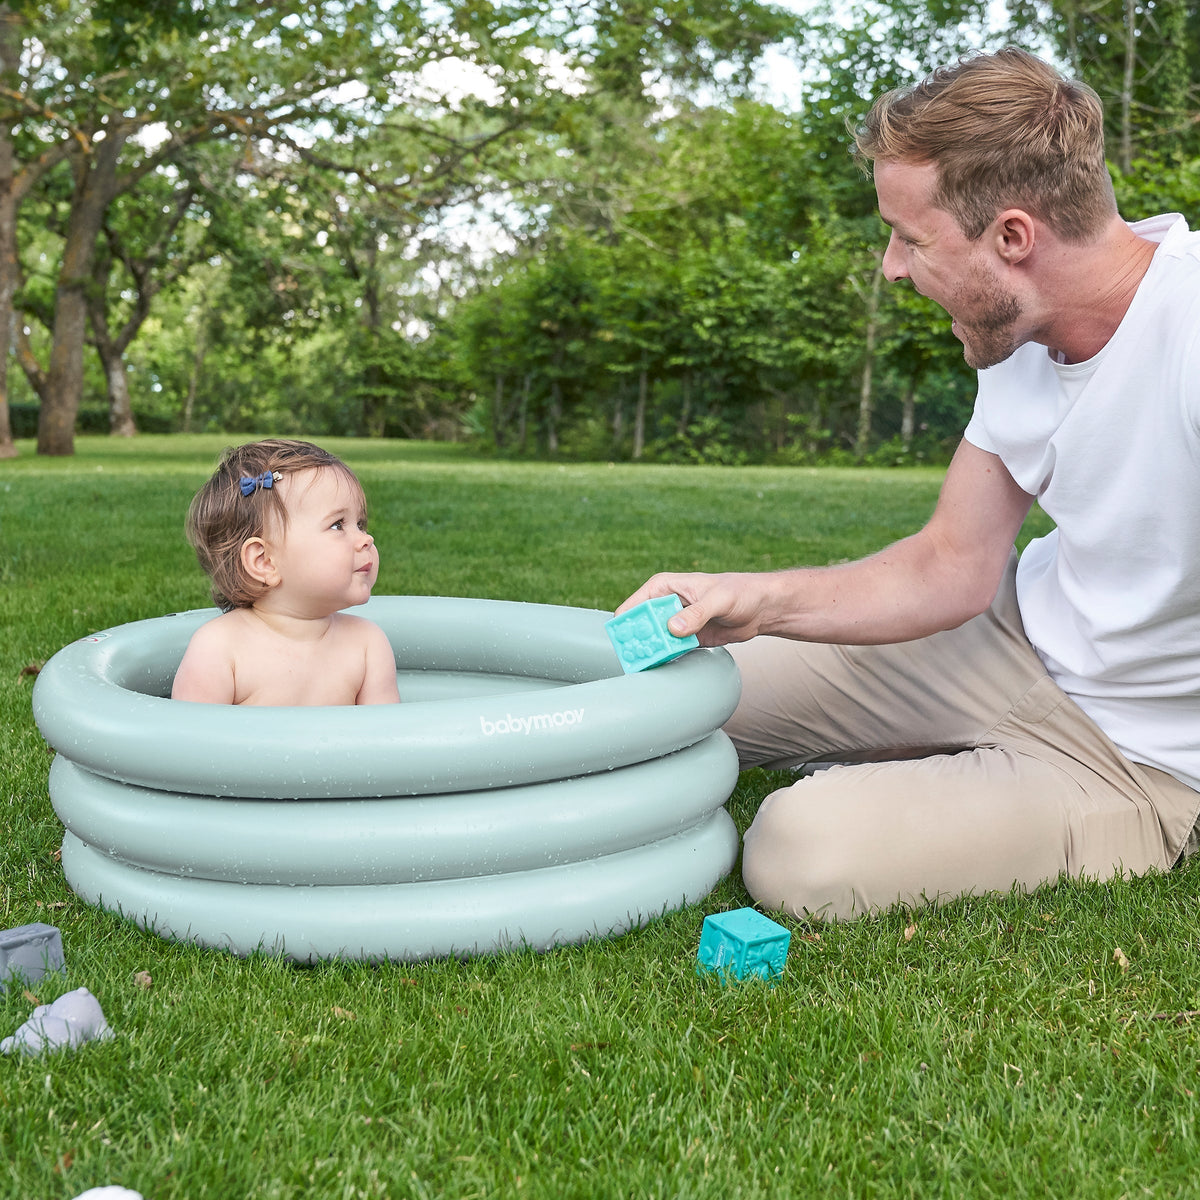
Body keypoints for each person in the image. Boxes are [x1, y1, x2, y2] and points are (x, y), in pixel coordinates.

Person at [618, 47, 1200, 921]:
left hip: (1136, 754)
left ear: (1013, 237)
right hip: (1009, 636)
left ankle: (919, 776)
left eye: (912, 238)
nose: (892, 267)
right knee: (660, 708)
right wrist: (754, 598)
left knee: (801, 853)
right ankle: (925, 755)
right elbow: (947, 566)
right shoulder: (1023, 330)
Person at [172, 438, 400, 706]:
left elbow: (385, 740)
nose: (366, 539)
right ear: (264, 561)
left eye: (360, 524)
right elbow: (189, 742)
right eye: (338, 525)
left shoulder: (367, 644)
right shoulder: (220, 649)